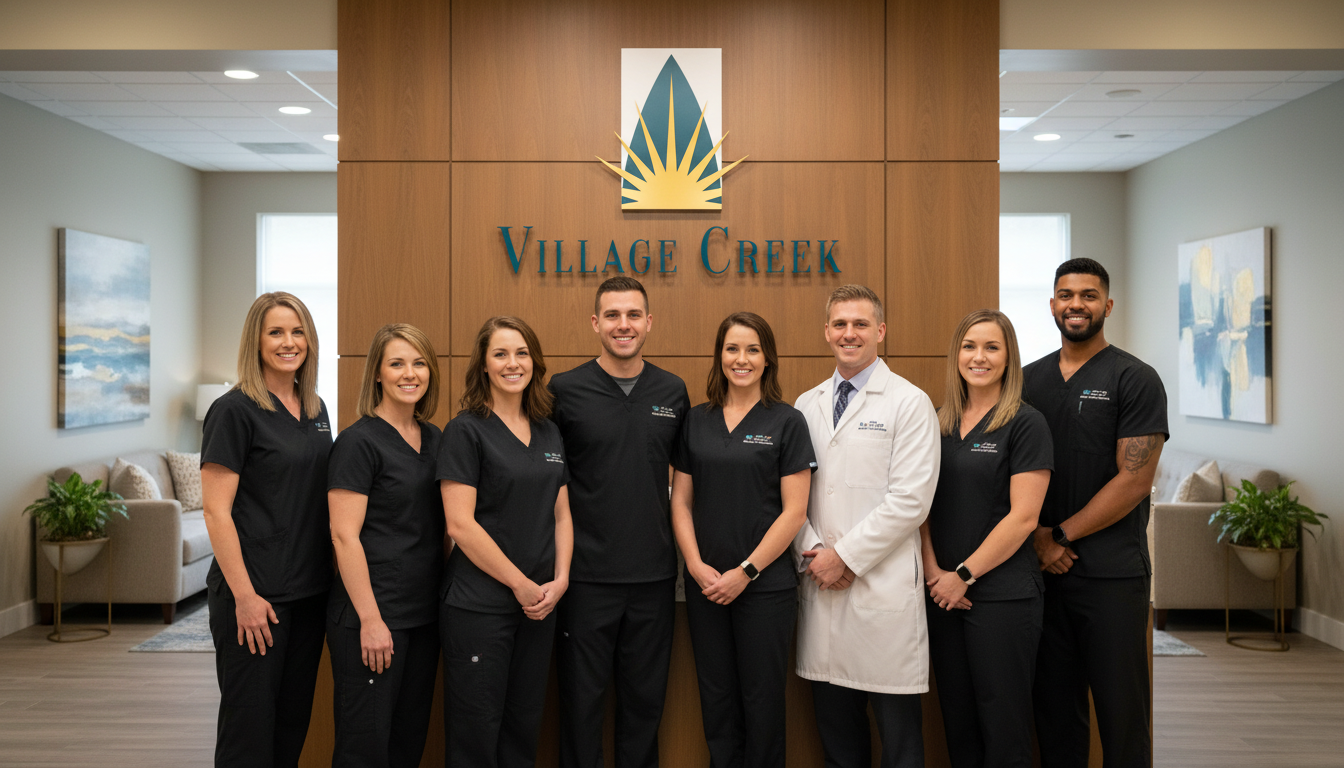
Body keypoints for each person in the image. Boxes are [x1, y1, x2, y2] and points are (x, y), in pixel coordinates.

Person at [1024, 258, 1167, 768]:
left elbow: (1134, 480)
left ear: (1107, 305)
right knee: (1055, 712)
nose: (1076, 304)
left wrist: (1058, 535)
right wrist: (1039, 543)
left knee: (1121, 714)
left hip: (1110, 575)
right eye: (1066, 295)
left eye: (1088, 295)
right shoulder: (1027, 380)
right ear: (1052, 305)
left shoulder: (1135, 378)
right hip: (1041, 576)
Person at [791, 284, 940, 768]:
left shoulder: (909, 402)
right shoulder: (805, 404)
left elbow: (910, 501)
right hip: (821, 584)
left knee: (899, 743)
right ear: (826, 332)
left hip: (881, 591)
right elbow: (791, 498)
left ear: (880, 331)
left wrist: (845, 558)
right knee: (839, 741)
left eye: (860, 324)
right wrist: (816, 556)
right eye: (839, 324)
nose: (848, 333)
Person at [549, 276, 690, 768]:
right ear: (595, 323)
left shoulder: (673, 391)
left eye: (633, 315)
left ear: (649, 323)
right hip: (585, 580)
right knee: (581, 709)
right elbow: (547, 483)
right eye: (612, 315)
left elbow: (686, 485)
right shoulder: (563, 391)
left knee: (644, 709)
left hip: (653, 578)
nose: (623, 325)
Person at [670, 311, 815, 768]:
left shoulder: (787, 422)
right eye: (732, 348)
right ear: (719, 356)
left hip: (765, 588)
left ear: (768, 358)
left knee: (763, 702)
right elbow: (680, 502)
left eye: (753, 349)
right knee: (716, 700)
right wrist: (695, 566)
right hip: (705, 585)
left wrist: (746, 571)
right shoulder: (696, 420)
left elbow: (795, 512)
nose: (742, 359)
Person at [201, 291, 333, 768]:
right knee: (248, 732)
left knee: (291, 725)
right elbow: (216, 512)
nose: (288, 342)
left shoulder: (316, 410)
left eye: (297, 332)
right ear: (256, 341)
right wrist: (245, 597)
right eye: (276, 332)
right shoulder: (233, 410)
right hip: (255, 597)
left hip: (307, 594)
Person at [437, 316, 574, 768]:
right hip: (482, 606)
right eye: (500, 354)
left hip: (540, 604)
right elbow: (460, 525)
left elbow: (561, 513)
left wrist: (560, 580)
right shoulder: (466, 430)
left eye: (521, 353)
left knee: (522, 727)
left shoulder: (549, 430)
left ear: (534, 362)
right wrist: (520, 584)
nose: (512, 363)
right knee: (476, 732)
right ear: (483, 365)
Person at [920, 309, 1053, 768]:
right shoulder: (937, 423)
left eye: (991, 347)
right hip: (942, 595)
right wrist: (935, 572)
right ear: (957, 354)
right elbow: (920, 509)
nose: (979, 357)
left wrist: (963, 574)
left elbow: (1023, 518)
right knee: (958, 723)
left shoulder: (1025, 423)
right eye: (970, 346)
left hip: (1002, 597)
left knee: (1005, 727)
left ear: (1008, 356)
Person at [327, 323, 444, 768]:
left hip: (422, 617)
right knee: (365, 750)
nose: (409, 373)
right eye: (397, 363)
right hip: (372, 618)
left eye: (418, 363)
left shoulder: (434, 439)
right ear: (377, 373)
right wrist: (371, 621)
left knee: (406, 744)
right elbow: (344, 536)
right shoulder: (358, 443)